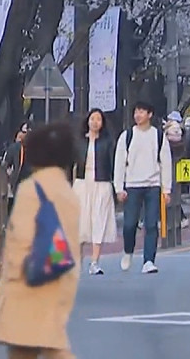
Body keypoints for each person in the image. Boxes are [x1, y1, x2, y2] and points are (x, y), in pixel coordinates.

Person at [0, 122, 81, 359]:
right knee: (47, 340)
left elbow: (21, 237)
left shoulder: (31, 189)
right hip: (59, 276)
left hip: (29, 280)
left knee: (31, 346)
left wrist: (10, 277)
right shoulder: (68, 192)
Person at [112, 101, 173, 275]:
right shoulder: (128, 135)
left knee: (152, 224)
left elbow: (166, 163)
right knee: (130, 224)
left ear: (150, 114)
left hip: (153, 186)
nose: (138, 115)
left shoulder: (158, 136)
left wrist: (166, 189)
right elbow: (119, 163)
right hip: (132, 186)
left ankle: (149, 261)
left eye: (142, 111)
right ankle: (128, 251)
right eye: (136, 111)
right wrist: (118, 187)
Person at [73, 109, 116, 275]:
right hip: (81, 184)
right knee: (80, 222)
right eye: (92, 118)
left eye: (99, 119)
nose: (95, 122)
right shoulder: (79, 141)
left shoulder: (108, 142)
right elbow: (71, 163)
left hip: (102, 184)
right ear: (87, 121)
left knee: (99, 221)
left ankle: (95, 262)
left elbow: (113, 164)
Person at [2, 122, 32, 212]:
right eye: (24, 132)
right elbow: (5, 164)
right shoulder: (15, 148)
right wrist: (9, 174)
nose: (26, 135)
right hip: (18, 184)